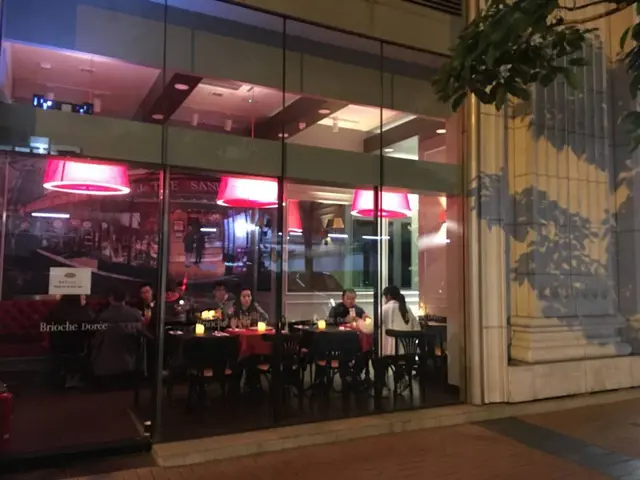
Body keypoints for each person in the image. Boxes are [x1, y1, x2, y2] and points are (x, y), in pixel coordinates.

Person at [91, 287, 143, 387]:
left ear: (111, 298)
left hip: (106, 364)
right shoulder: (136, 314)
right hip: (131, 360)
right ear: (126, 298)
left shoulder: (104, 316)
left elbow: (97, 340)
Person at [48, 294, 94, 388]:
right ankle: (77, 378)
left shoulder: (56, 311)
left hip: (59, 346)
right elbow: (90, 330)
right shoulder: (84, 314)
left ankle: (67, 378)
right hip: (78, 347)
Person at [381, 285, 420, 356]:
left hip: (391, 353)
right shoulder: (407, 309)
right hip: (409, 352)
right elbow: (417, 328)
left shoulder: (384, 309)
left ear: (388, 296)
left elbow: (372, 327)